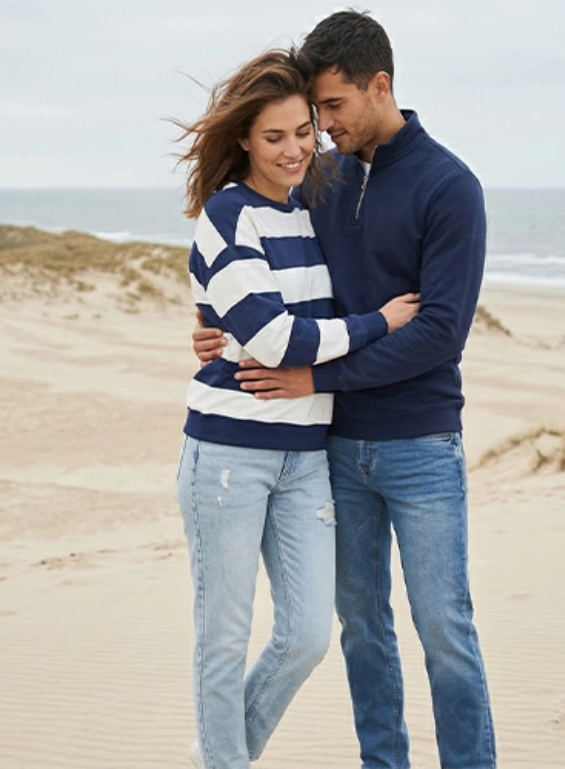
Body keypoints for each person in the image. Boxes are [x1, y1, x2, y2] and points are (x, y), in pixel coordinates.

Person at [192, 11, 497, 769]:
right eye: (311, 113)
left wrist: (315, 373)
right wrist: (217, 326)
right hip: (331, 447)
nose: (319, 129)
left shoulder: (450, 186)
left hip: (422, 441)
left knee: (445, 630)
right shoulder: (322, 182)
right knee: (361, 629)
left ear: (380, 85)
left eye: (331, 108)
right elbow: (269, 278)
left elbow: (438, 335)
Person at [175, 48, 419, 769]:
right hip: (225, 456)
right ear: (245, 139)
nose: (293, 149)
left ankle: (216, 755)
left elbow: (264, 315)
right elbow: (278, 338)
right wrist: (380, 322)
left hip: (307, 454)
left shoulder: (316, 205)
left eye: (302, 132)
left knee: (308, 633)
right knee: (223, 635)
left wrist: (213, 318)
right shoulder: (227, 214)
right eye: (273, 136)